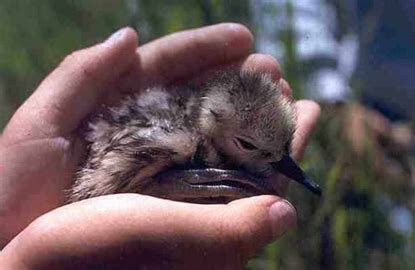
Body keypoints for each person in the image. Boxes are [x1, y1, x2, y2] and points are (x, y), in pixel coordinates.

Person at [0, 24, 320, 269]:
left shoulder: (202, 128)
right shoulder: (179, 145)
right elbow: (100, 186)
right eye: (249, 145)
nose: (274, 161)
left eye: (281, 150)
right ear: (214, 121)